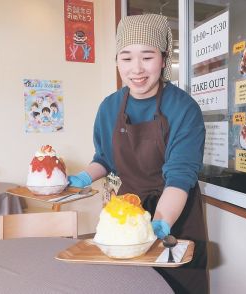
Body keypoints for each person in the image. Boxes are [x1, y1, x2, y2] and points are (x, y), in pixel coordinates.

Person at [68, 14, 208, 293]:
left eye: (147, 56)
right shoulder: (109, 107)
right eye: (126, 57)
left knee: (177, 286)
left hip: (174, 214)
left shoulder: (184, 109)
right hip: (126, 215)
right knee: (129, 286)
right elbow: (105, 159)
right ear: (117, 61)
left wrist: (159, 222)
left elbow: (179, 177)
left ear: (164, 59)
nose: (136, 69)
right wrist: (84, 176)